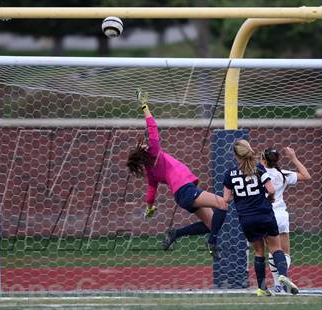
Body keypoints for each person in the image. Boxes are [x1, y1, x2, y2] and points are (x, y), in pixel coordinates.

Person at [126, 90, 228, 253]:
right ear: (143, 152)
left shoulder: (150, 171)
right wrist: (144, 106)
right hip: (186, 191)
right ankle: (212, 242)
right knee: (223, 204)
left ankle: (176, 233)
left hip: (181, 196)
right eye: (142, 146)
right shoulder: (154, 151)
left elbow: (151, 191)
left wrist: (149, 207)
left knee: (211, 224)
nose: (144, 144)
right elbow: (152, 127)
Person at [223, 139, 299, 296]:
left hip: (246, 218)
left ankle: (262, 289)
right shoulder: (258, 168)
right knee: (276, 248)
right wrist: (270, 199)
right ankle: (283, 275)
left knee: (258, 251)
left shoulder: (229, 173)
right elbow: (271, 190)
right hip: (264, 214)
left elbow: (226, 199)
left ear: (235, 155)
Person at [260, 147, 311, 293]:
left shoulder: (259, 174)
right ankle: (282, 278)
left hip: (266, 215)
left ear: (263, 160)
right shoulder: (283, 174)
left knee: (273, 251)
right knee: (285, 253)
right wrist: (293, 158)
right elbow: (306, 176)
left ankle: (278, 283)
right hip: (281, 215)